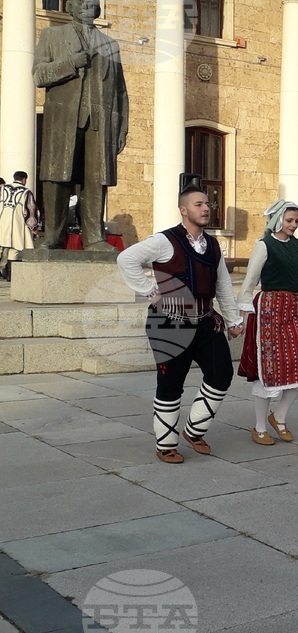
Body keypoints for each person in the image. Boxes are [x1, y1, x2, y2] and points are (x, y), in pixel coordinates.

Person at [117, 187, 244, 464]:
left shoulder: (212, 245)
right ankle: (166, 445)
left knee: (221, 375)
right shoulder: (164, 240)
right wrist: (150, 291)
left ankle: (193, 430)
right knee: (171, 383)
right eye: (199, 204)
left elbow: (222, 283)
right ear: (184, 210)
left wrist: (233, 320)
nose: (206, 208)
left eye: (208, 204)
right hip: (169, 323)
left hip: (206, 321)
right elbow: (125, 259)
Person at [33, 0, 129, 251]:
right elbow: (39, 75)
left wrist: (121, 129)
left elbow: (120, 92)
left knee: (96, 178)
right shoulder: (52, 35)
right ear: (70, 8)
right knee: (57, 176)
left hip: (100, 122)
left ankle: (95, 238)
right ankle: (53, 236)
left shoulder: (111, 45)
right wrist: (71, 63)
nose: (88, 7)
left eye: (93, 4)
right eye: (82, 3)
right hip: (63, 120)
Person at [236, 200, 298, 446]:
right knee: (269, 369)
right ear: (277, 220)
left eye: (296, 221)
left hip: (294, 308)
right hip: (268, 310)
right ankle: (260, 426)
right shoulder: (264, 246)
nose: (294, 225)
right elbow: (249, 282)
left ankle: (280, 416)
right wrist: (241, 317)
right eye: (289, 220)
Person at [0, 172, 40, 281]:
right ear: (24, 180)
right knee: (14, 248)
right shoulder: (26, 192)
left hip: (1, 221)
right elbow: (31, 210)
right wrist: (33, 227)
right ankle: (10, 275)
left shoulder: (3, 188)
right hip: (16, 223)